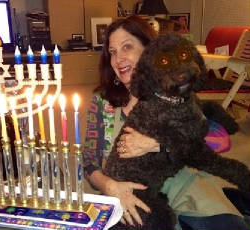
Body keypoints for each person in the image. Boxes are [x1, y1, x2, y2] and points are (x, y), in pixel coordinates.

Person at [83, 15, 249, 229]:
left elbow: (216, 139)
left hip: (183, 181)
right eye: (113, 52)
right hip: (130, 189)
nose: (118, 59)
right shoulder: (102, 101)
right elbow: (88, 161)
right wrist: (110, 187)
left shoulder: (171, 89)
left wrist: (157, 144)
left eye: (127, 47)